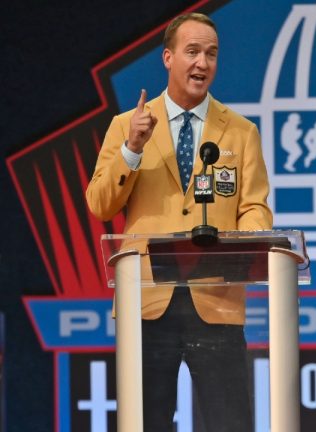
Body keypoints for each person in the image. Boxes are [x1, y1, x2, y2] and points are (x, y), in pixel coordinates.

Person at [86, 12, 271, 431]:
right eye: (192, 52)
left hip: (217, 298)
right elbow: (99, 204)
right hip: (148, 301)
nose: (202, 63)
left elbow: (254, 205)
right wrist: (132, 148)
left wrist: (255, 235)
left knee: (231, 423)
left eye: (211, 54)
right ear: (168, 58)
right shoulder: (127, 126)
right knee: (145, 423)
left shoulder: (241, 132)